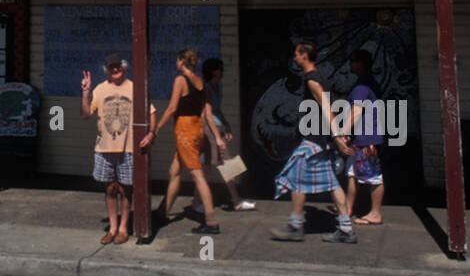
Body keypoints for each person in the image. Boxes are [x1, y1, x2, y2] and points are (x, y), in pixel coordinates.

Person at [270, 41, 356, 244]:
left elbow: (326, 108)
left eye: (296, 55)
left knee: (295, 176)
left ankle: (296, 225)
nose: (294, 58)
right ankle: (345, 228)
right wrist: (338, 136)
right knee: (332, 184)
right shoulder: (318, 78)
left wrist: (337, 137)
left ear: (304, 56)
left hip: (314, 141)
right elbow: (330, 107)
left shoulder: (312, 80)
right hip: (319, 139)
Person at [141, 49, 222, 235]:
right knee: (174, 170)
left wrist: (157, 128)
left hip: (185, 130)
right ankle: (163, 211)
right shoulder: (201, 82)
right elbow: (206, 112)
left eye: (177, 60)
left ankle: (211, 221)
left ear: (181, 61)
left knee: (197, 175)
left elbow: (171, 108)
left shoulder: (180, 80)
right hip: (197, 128)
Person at [81, 53, 153, 244]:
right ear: (106, 70)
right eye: (111, 67)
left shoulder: (135, 88)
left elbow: (151, 112)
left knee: (125, 189)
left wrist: (151, 134)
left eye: (118, 66)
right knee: (110, 189)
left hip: (128, 148)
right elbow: (86, 113)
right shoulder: (100, 89)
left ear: (124, 67)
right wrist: (86, 92)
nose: (115, 70)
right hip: (104, 148)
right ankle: (112, 229)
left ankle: (123, 229)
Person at [188, 58, 256, 214]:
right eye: (220, 69)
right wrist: (218, 138)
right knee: (228, 164)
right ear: (213, 71)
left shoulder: (216, 87)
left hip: (217, 128)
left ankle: (197, 201)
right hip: (211, 130)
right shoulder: (206, 89)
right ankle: (236, 201)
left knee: (208, 167)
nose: (222, 71)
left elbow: (217, 110)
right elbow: (208, 115)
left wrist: (227, 125)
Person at [345, 49, 385, 226]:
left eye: (356, 60)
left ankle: (376, 213)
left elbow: (357, 110)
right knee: (352, 173)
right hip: (361, 138)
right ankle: (347, 208)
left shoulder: (362, 86)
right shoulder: (365, 82)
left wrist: (342, 131)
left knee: (373, 176)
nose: (352, 64)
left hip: (367, 138)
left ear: (363, 63)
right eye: (351, 60)